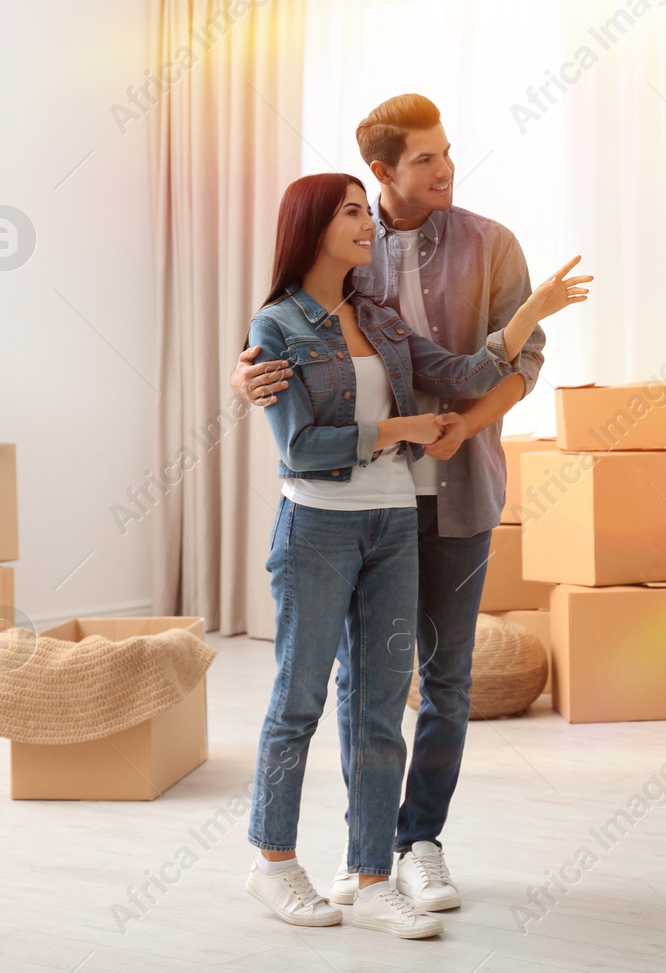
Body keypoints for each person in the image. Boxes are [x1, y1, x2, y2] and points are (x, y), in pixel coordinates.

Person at [242, 170, 588, 939]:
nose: (370, 223)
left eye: (369, 210)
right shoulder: (278, 328)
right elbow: (300, 446)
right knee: (299, 701)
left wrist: (531, 312)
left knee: (376, 710)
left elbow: (465, 377)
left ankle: (370, 876)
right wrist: (399, 433)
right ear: (312, 229)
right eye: (354, 213)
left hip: (392, 527)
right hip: (319, 529)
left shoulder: (383, 319)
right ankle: (272, 861)